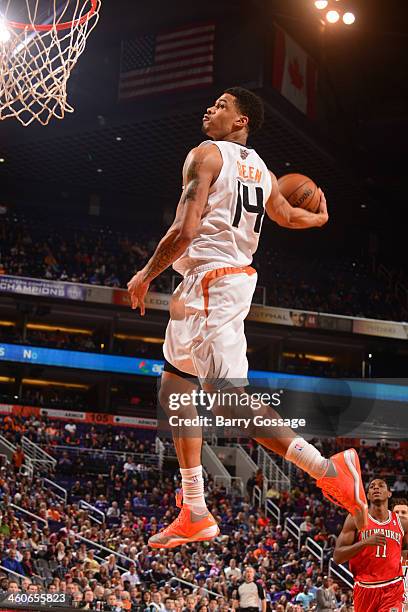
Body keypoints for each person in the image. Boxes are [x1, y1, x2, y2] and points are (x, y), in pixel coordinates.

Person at [127, 87, 368, 548]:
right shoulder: (264, 172)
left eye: (221, 106)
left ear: (241, 122)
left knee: (224, 399)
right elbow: (287, 215)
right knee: (175, 385)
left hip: (215, 279)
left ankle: (327, 468)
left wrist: (144, 274)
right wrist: (318, 220)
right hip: (205, 280)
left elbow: (185, 228)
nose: (210, 109)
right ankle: (194, 508)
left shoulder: (206, 154)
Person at [334, 478, 408, 612]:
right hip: (364, 588)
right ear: (367, 495)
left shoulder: (402, 523)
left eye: (381, 486)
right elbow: (338, 557)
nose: (376, 488)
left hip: (393, 588)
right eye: (372, 486)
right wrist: (364, 543)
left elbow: (404, 550)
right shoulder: (356, 519)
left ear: (389, 493)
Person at [392, 499, 408, 612]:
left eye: (404, 512)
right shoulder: (381, 539)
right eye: (396, 512)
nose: (400, 515)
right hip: (391, 601)